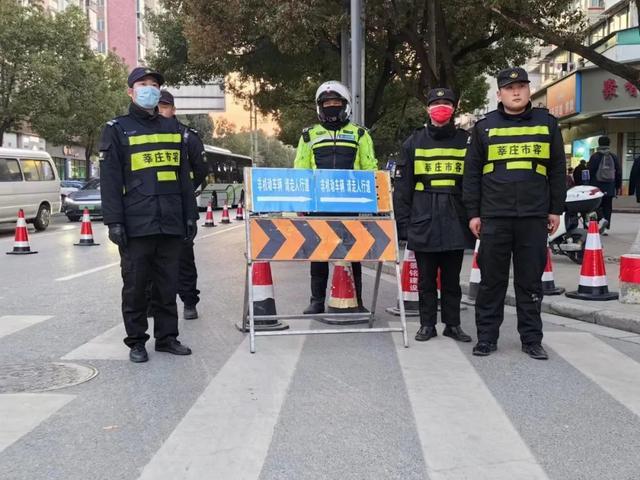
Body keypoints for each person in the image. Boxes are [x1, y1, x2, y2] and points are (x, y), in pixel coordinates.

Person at [463, 67, 566, 360]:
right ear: (499, 94)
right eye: (510, 88)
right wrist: (474, 213)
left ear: (529, 90)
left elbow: (558, 169)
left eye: (521, 86)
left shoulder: (547, 124)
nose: (516, 91)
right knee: (491, 281)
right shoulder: (484, 127)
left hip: (534, 216)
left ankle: (532, 339)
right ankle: (486, 338)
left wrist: (555, 209)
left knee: (530, 281)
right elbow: (471, 175)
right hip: (495, 216)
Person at [100, 67, 198, 363]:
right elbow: (111, 180)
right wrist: (114, 221)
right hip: (136, 222)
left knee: (168, 283)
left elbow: (183, 177)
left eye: (154, 85)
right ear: (130, 91)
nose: (149, 89)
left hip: (170, 220)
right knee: (136, 286)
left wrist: (190, 216)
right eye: (142, 84)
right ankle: (137, 342)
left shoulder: (173, 130)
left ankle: (167, 337)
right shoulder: (117, 129)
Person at [394, 87, 473, 343]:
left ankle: (453, 324)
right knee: (426, 280)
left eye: (447, 103)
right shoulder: (413, 142)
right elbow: (403, 187)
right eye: (436, 103)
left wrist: (474, 216)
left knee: (452, 279)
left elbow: (472, 184)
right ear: (427, 108)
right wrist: (402, 225)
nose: (441, 107)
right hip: (423, 216)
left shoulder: (466, 141)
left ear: (454, 108)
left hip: (454, 217)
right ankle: (427, 324)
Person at [293, 80, 378, 314]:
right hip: (318, 206)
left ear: (345, 105)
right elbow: (301, 171)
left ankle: (356, 300)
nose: (331, 106)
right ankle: (316, 300)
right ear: (320, 106)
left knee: (354, 253)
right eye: (327, 103)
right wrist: (302, 202)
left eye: (336, 102)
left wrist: (372, 203)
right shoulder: (309, 136)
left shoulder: (360, 134)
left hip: (350, 205)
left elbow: (369, 169)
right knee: (318, 254)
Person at [154, 90, 208, 320]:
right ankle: (152, 303)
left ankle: (189, 301)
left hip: (180, 208)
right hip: (150, 207)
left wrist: (183, 190)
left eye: (164, 107)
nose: (160, 111)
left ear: (173, 110)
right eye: (157, 107)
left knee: (184, 257)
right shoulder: (143, 135)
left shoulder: (187, 136)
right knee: (150, 259)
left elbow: (201, 170)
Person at [587, 136, 622, 234]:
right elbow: (618, 172)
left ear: (599, 144)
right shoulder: (614, 156)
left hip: (596, 186)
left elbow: (590, 171)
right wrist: (617, 186)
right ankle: (606, 228)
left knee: (596, 205)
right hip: (610, 186)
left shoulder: (595, 157)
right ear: (609, 144)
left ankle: (600, 222)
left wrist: (587, 185)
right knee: (608, 206)